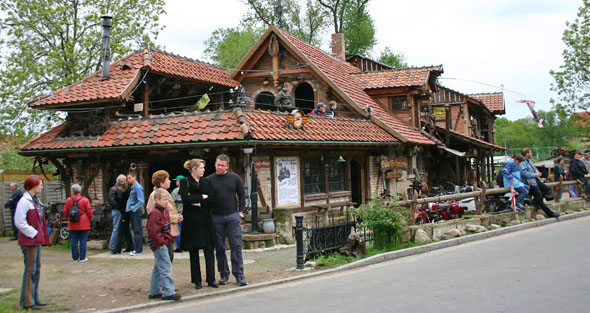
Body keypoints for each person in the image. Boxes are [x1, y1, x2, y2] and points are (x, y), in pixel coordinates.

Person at [207, 154, 247, 286]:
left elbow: (241, 195)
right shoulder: (209, 180)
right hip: (216, 216)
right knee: (219, 246)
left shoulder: (235, 178)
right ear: (215, 164)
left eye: (222, 166)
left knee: (236, 245)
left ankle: (239, 274)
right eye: (218, 165)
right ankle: (224, 274)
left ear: (227, 166)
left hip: (232, 216)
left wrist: (241, 212)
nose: (219, 167)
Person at [180, 159, 218, 289]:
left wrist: (197, 201)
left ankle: (211, 278)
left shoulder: (206, 181)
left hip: (205, 218)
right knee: (194, 250)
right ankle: (196, 279)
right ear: (194, 169)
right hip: (192, 220)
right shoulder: (185, 182)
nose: (203, 170)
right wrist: (202, 197)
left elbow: (212, 198)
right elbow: (185, 198)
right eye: (201, 168)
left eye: (203, 167)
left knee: (209, 248)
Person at [14, 175, 50, 310]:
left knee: (36, 269)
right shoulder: (24, 201)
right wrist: (34, 233)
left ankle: (35, 297)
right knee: (30, 270)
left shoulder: (35, 200)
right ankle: (27, 301)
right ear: (33, 186)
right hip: (29, 240)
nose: (41, 187)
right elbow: (19, 222)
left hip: (36, 239)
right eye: (40, 184)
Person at [146, 188, 181, 301]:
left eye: (167, 200)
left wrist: (168, 239)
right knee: (166, 267)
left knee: (158, 267)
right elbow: (153, 231)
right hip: (159, 244)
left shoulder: (164, 211)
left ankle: (154, 290)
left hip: (165, 241)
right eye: (164, 200)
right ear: (156, 200)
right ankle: (168, 292)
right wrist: (161, 243)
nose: (166, 202)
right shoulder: (154, 213)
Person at [146, 170, 183, 263]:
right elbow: (156, 214)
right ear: (161, 183)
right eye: (167, 180)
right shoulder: (158, 195)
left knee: (166, 258)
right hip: (163, 232)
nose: (170, 181)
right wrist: (175, 218)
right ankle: (164, 277)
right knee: (166, 258)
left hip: (166, 231)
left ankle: (159, 278)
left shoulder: (163, 193)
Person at [519, 148, 559, 218]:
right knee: (540, 198)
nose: (531, 154)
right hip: (530, 182)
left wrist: (537, 173)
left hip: (536, 179)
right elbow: (523, 173)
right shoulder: (522, 162)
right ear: (527, 154)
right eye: (530, 152)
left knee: (547, 189)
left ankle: (534, 202)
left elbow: (534, 168)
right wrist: (534, 174)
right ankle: (549, 213)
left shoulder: (530, 161)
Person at [64, 184, 94, 262]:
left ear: (72, 191)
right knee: (83, 240)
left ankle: (75, 258)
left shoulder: (68, 200)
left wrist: (68, 218)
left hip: (72, 222)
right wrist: (90, 219)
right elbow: (89, 211)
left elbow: (65, 211)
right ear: (80, 191)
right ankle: (82, 257)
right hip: (83, 221)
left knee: (73, 239)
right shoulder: (85, 200)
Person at [126, 172, 145, 256]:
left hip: (136, 212)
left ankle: (138, 250)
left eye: (129, 178)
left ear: (134, 177)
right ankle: (136, 248)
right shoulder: (132, 187)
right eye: (127, 178)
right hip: (132, 211)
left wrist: (133, 208)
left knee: (137, 231)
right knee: (134, 230)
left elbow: (141, 201)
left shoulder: (138, 187)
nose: (128, 180)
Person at [108, 175, 128, 254]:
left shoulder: (118, 190)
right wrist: (119, 207)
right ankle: (113, 246)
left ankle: (119, 244)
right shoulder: (113, 190)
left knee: (119, 228)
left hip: (119, 210)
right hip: (117, 210)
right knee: (116, 228)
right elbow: (112, 200)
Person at [170, 175, 185, 253]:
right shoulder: (189, 189)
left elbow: (171, 202)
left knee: (179, 231)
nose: (176, 182)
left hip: (179, 213)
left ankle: (179, 247)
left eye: (176, 181)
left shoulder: (175, 191)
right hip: (187, 213)